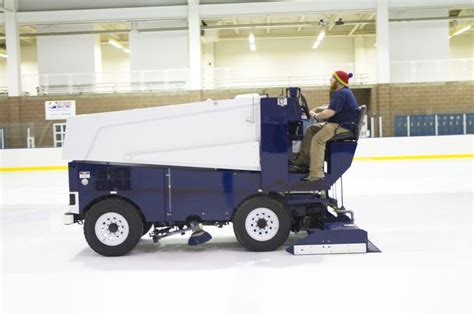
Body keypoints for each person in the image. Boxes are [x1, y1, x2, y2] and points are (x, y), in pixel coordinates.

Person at [292, 70, 360, 183]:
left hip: (341, 125)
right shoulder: (342, 92)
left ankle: (316, 174)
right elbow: (330, 107)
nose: (330, 80)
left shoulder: (342, 93)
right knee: (311, 129)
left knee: (318, 139)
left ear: (338, 81)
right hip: (336, 123)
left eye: (332, 78)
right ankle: (305, 162)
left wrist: (316, 115)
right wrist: (318, 109)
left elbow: (330, 113)